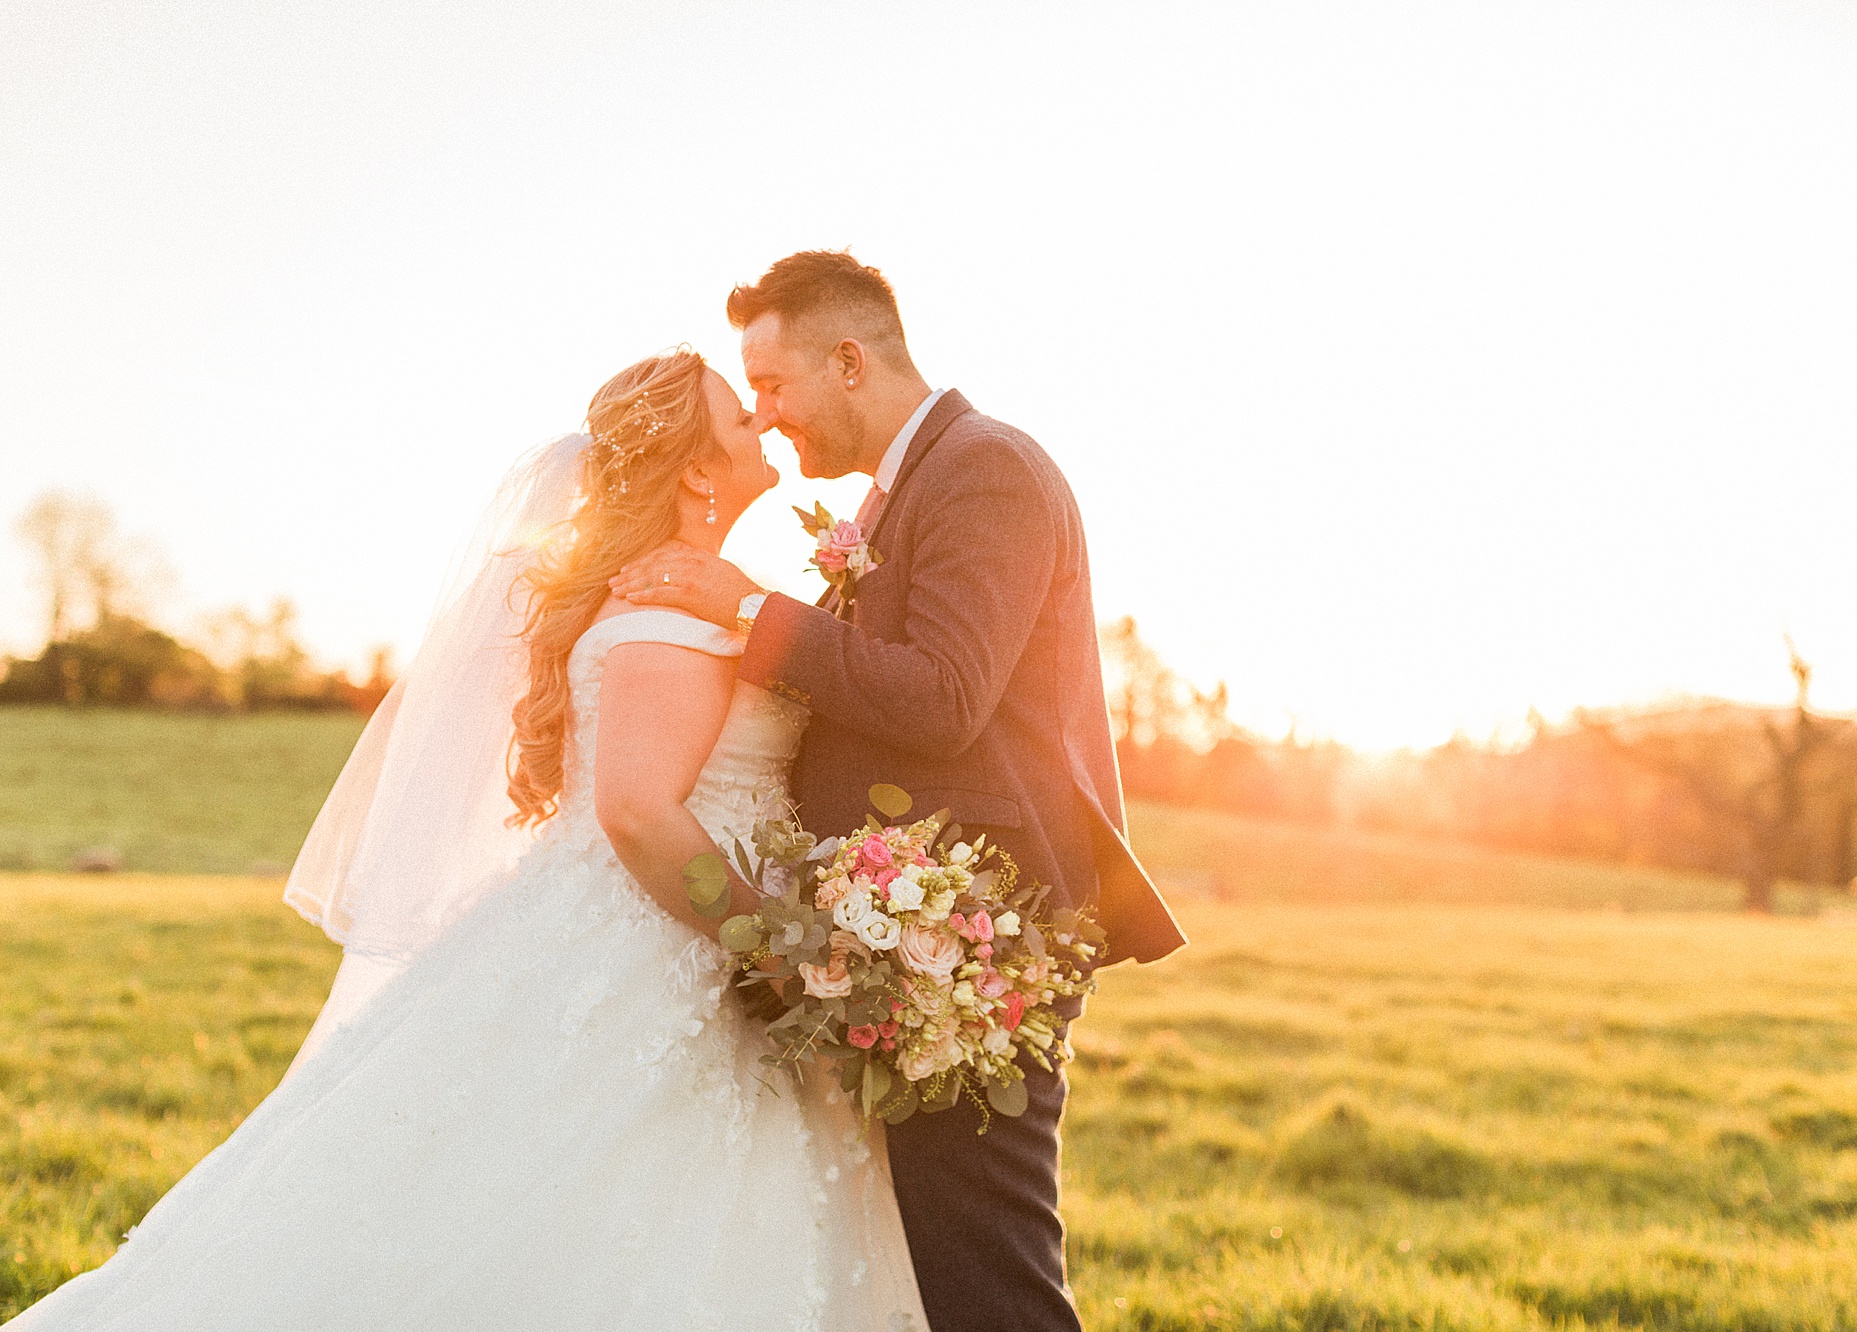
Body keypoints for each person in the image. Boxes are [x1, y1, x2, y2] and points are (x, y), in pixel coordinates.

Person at [9, 350, 930, 1331]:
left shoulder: (694, 592)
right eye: (738, 419)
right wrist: (777, 949)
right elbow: (635, 811)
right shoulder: (665, 611)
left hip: (628, 930)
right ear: (698, 472)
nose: (760, 420)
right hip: (671, 946)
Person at [610, 252, 1186, 1332]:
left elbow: (943, 696)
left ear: (847, 359)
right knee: (932, 1268)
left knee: (986, 1275)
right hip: (905, 930)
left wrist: (746, 610)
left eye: (773, 387)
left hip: (975, 936)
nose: (768, 418)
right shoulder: (907, 488)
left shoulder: (986, 469)